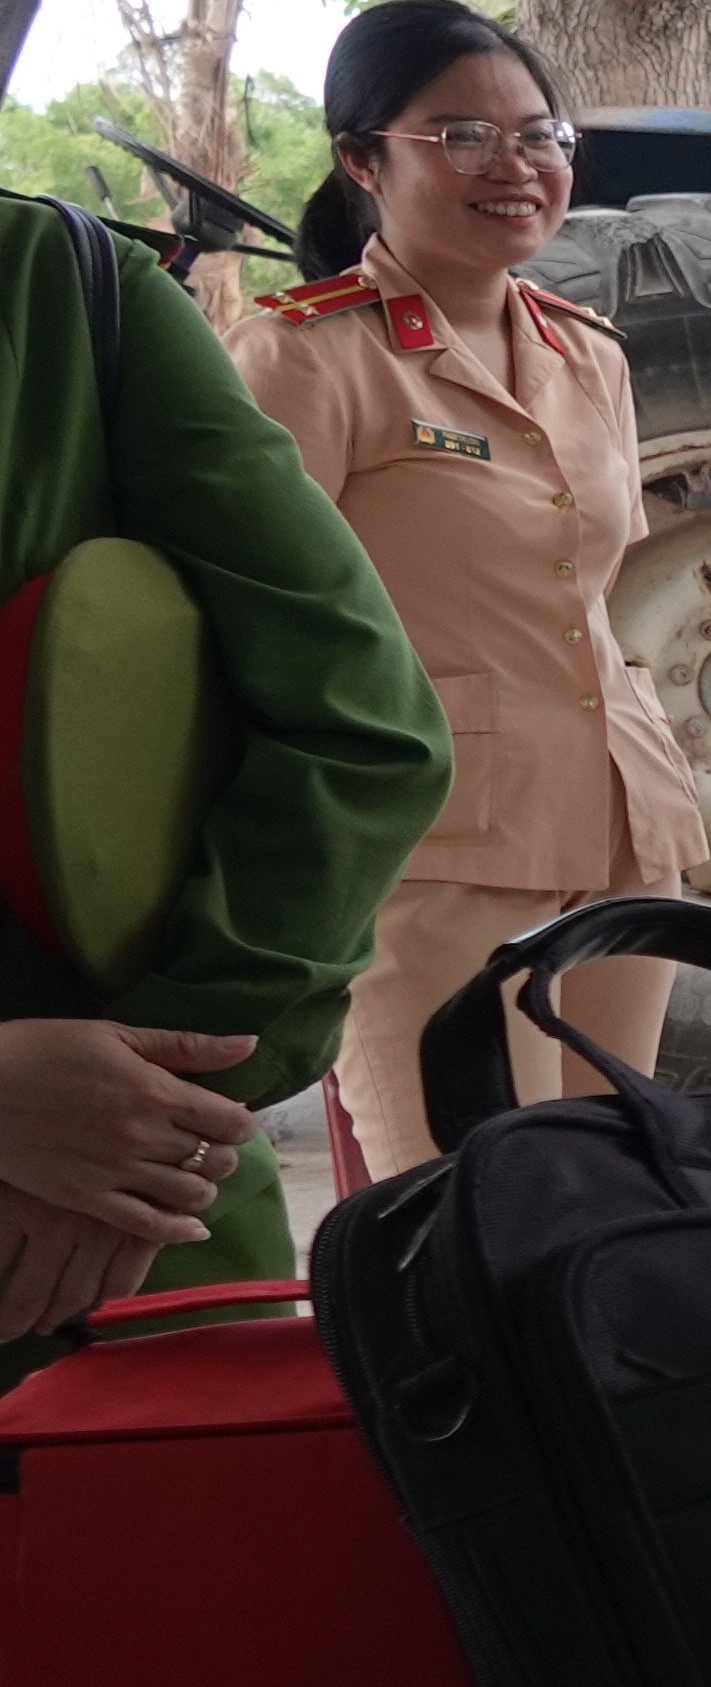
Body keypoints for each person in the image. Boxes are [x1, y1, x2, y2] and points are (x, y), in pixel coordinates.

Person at [223, 0, 703, 1173]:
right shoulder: (306, 354)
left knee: (615, 1193)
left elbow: (582, 589)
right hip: (427, 847)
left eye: (541, 136)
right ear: (361, 159)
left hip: (620, 829)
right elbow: (244, 623)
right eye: (460, 136)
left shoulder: (588, 351)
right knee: (461, 1211)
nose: (515, 167)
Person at [0, 195, 440, 1341]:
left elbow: (361, 723)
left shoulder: (60, 290)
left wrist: (158, 1113)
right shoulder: (308, 342)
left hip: (107, 1248)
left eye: (543, 136)